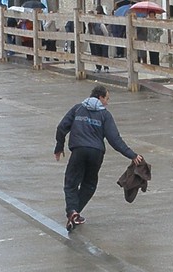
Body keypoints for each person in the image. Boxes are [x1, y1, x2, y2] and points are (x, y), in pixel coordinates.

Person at [53, 85, 143, 231]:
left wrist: (59, 147)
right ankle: (75, 212)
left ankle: (72, 212)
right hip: (96, 153)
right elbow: (115, 139)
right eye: (107, 99)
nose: (107, 102)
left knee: (71, 183)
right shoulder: (105, 115)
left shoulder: (77, 109)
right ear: (100, 97)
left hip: (79, 150)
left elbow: (61, 127)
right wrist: (131, 155)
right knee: (89, 184)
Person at [90, 5, 109, 72]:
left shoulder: (100, 24)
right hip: (96, 40)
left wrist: (105, 40)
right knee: (97, 53)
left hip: (103, 39)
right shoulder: (91, 25)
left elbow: (106, 33)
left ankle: (106, 67)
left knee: (104, 54)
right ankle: (98, 67)